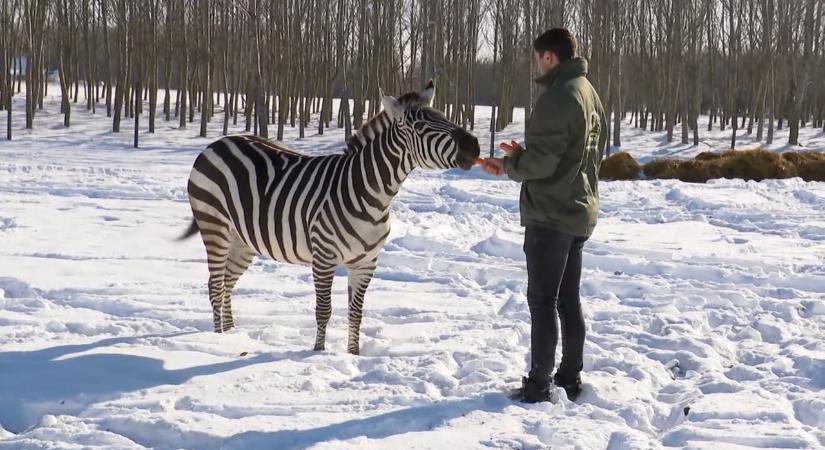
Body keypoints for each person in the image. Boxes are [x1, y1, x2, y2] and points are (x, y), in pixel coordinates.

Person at [482, 28, 607, 403]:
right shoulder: (587, 91)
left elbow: (545, 163)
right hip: (578, 210)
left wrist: (510, 164)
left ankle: (538, 384)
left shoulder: (558, 97)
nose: (537, 63)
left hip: (552, 215)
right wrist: (525, 153)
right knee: (568, 300)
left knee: (543, 301)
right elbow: (577, 152)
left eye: (539, 57)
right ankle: (569, 376)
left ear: (549, 57)